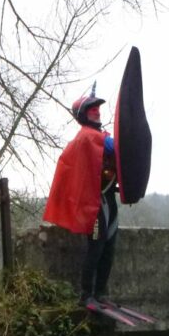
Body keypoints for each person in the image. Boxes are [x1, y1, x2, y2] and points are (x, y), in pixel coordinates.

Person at [43, 87, 118, 309]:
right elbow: (112, 147)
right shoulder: (88, 136)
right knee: (97, 247)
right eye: (92, 109)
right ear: (84, 114)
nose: (97, 112)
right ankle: (87, 295)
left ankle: (101, 293)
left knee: (109, 247)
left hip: (108, 200)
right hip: (95, 205)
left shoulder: (101, 136)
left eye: (98, 109)